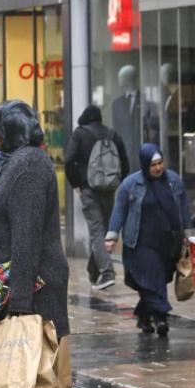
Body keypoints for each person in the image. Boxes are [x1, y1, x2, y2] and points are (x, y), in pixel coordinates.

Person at [0, 100, 70, 388]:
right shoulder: (16, 163)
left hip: (34, 283)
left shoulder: (29, 165)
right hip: (23, 280)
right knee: (18, 361)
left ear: (10, 131)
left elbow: (27, 234)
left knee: (35, 363)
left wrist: (19, 297)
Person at [105, 143, 191, 336]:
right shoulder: (131, 184)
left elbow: (184, 208)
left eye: (160, 163)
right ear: (145, 165)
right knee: (152, 278)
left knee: (157, 279)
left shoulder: (174, 181)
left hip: (168, 242)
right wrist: (111, 236)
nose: (158, 168)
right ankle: (161, 317)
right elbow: (119, 211)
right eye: (153, 165)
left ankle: (144, 317)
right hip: (140, 244)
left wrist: (188, 233)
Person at [65, 105, 130, 290]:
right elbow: (125, 164)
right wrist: (115, 183)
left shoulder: (80, 134)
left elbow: (69, 160)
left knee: (96, 231)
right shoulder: (112, 135)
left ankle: (107, 272)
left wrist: (77, 183)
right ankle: (94, 271)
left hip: (88, 189)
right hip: (108, 191)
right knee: (103, 230)